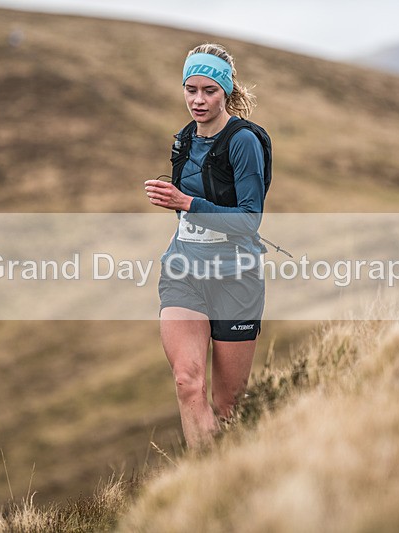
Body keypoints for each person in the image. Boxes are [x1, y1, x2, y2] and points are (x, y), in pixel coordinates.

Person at [144, 43, 268, 450]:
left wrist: (187, 204)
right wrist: (176, 205)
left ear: (226, 91)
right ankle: (204, 479)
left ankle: (233, 478)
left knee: (229, 404)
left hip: (235, 279)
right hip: (184, 272)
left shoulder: (243, 142)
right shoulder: (183, 140)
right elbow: (191, 214)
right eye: (190, 89)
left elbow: (250, 219)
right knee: (186, 382)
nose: (198, 100)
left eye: (209, 91)